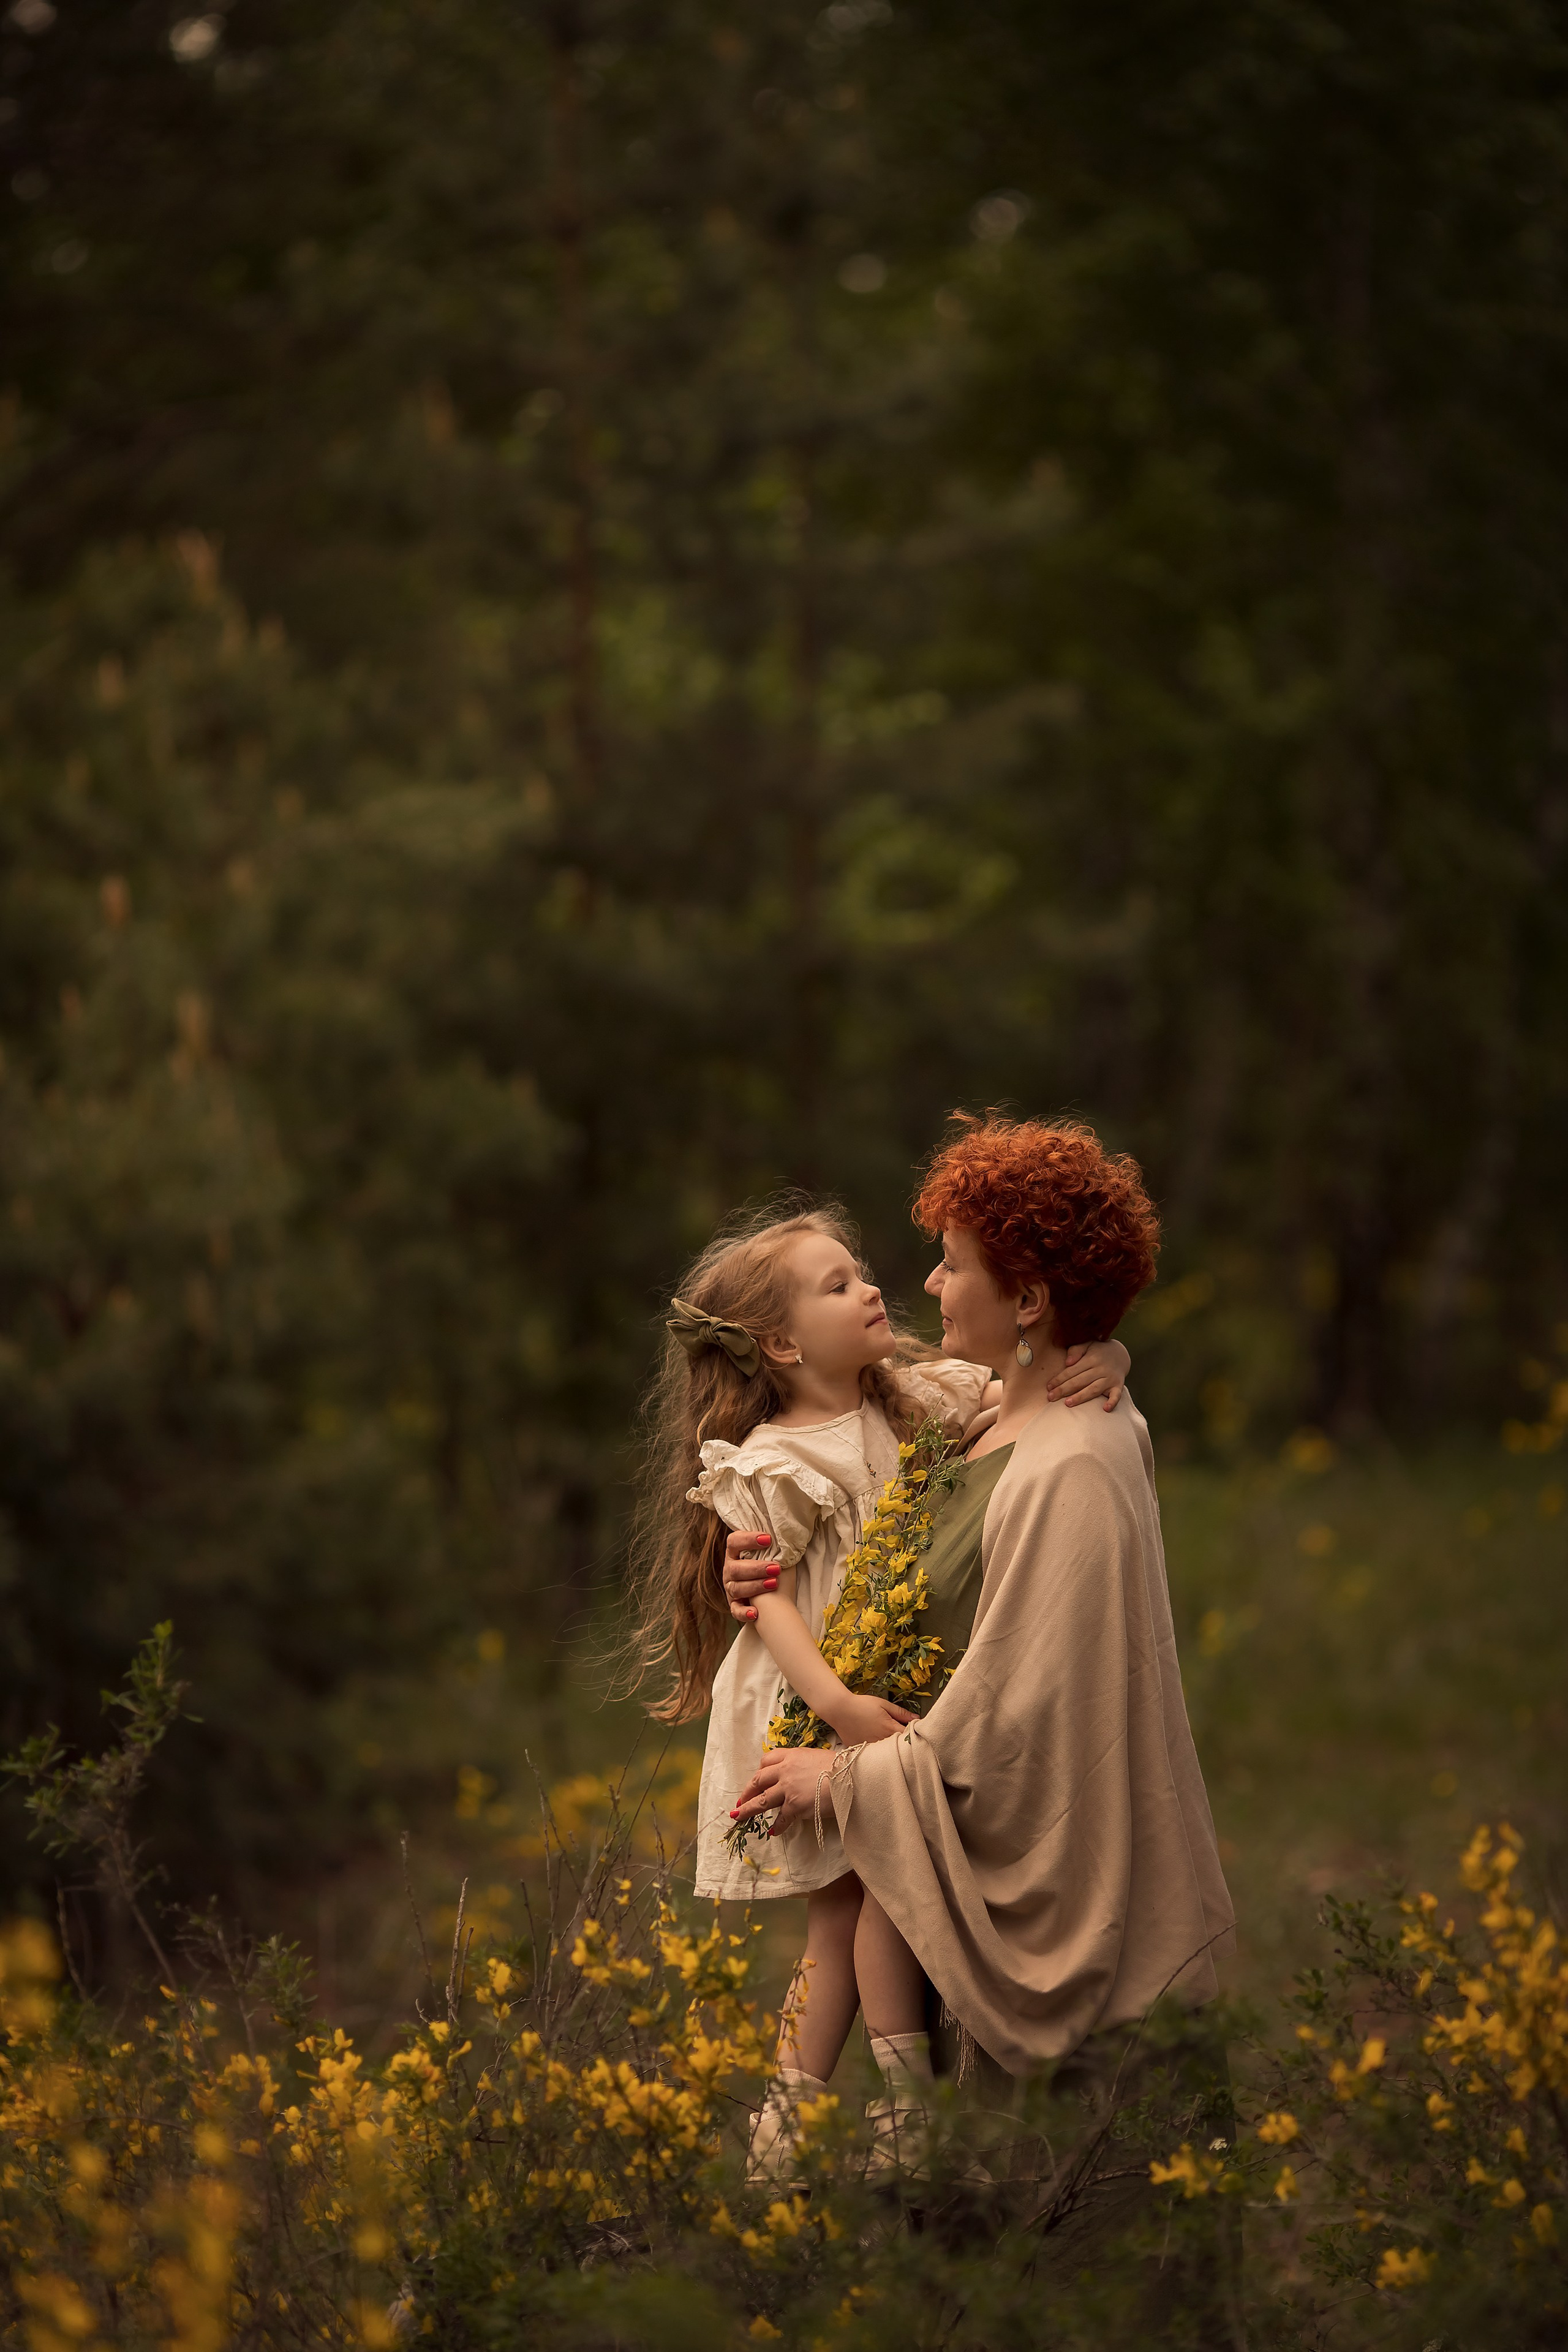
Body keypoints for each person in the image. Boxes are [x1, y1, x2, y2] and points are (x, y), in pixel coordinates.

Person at [726, 1117, 1235, 2169]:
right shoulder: (979, 1420)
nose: (928, 1284)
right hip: (927, 1824)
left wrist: (847, 1778)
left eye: (954, 1265)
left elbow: (1028, 1724)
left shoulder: (1074, 1461)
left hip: (1044, 1900)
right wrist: (755, 1580)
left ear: (1031, 1300)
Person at [625, 1199, 1131, 2171]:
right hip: (819, 1696)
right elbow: (766, 1605)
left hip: (886, 1682)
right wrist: (839, 1708)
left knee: (882, 1900)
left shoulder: (912, 1400)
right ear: (782, 1343)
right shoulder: (777, 1458)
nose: (873, 1289)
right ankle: (824, 2135)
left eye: (860, 1273)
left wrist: (1111, 1357)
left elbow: (1025, 1383)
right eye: (839, 1285)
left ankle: (865, 2125)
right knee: (853, 1912)